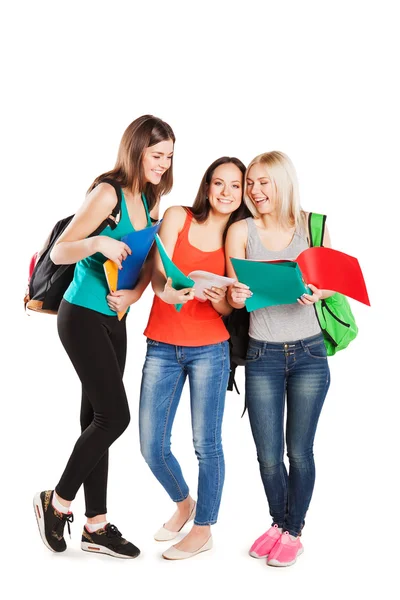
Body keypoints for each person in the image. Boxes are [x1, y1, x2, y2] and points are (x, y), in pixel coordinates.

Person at [33, 115, 175, 559]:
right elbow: (61, 250)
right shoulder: (107, 192)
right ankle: (57, 503)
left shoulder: (151, 197)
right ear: (136, 151)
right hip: (81, 317)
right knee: (115, 418)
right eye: (156, 155)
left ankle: (96, 525)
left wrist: (132, 295)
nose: (163, 164)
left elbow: (148, 260)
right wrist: (98, 244)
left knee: (96, 420)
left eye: (169, 156)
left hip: (116, 318)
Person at [139, 157, 251, 560]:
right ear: (206, 187)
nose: (225, 192)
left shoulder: (238, 237)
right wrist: (165, 292)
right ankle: (183, 502)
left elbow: (226, 312)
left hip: (210, 349)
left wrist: (224, 299)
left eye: (234, 186)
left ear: (242, 194)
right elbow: (156, 269)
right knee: (152, 446)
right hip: (162, 344)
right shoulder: (176, 217)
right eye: (218, 183)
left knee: (207, 444)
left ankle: (203, 528)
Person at [225, 151, 333, 567]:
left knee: (299, 451)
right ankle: (278, 522)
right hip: (262, 354)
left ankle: (293, 530)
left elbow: (329, 282)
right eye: (249, 182)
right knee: (267, 455)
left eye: (261, 182)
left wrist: (318, 291)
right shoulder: (241, 230)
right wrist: (235, 295)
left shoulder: (311, 225)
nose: (253, 190)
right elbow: (235, 290)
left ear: (283, 182)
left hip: (308, 352)